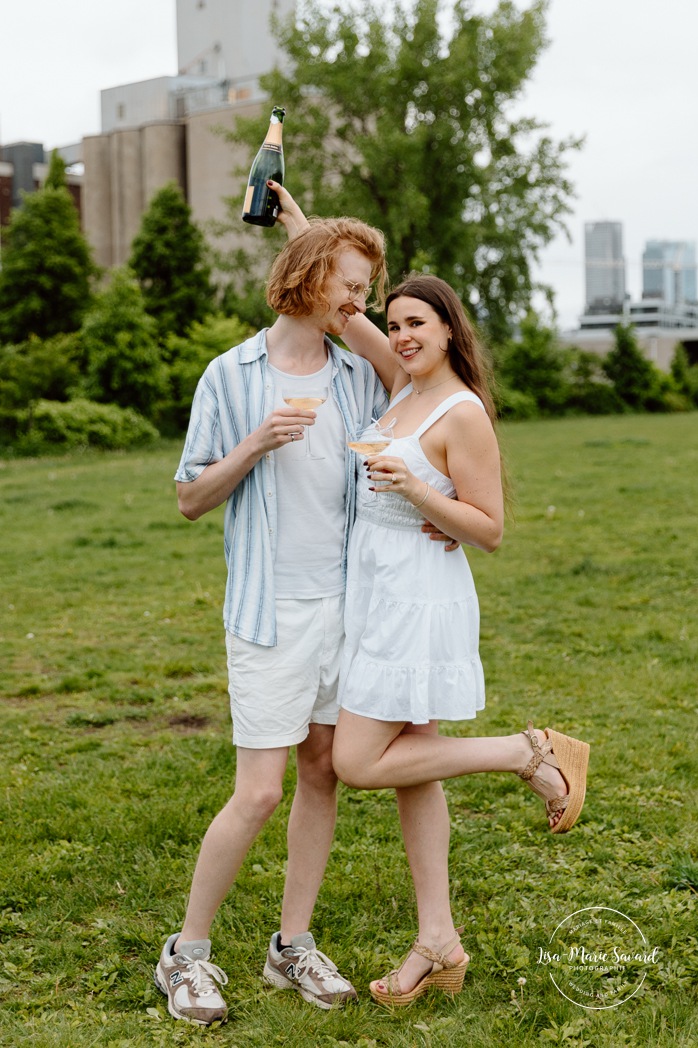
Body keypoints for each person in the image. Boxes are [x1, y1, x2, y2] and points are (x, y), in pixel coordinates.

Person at [154, 190, 454, 1025]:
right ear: (310, 279)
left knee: (322, 773)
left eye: (367, 288)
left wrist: (309, 236)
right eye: (351, 286)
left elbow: (419, 388)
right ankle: (186, 955)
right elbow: (187, 498)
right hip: (269, 614)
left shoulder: (360, 375)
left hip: (347, 611)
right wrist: (255, 444)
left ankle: (291, 946)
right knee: (257, 793)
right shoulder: (232, 375)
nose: (364, 304)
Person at [331, 274, 590, 1007]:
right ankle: (436, 942)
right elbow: (342, 309)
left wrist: (418, 491)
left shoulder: (459, 411)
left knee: (356, 761)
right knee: (414, 767)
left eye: (417, 322)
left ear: (449, 329)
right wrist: (291, 220)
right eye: (395, 324)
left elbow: (490, 529)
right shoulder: (400, 385)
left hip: (418, 600)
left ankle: (525, 750)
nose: (402, 335)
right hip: (377, 593)